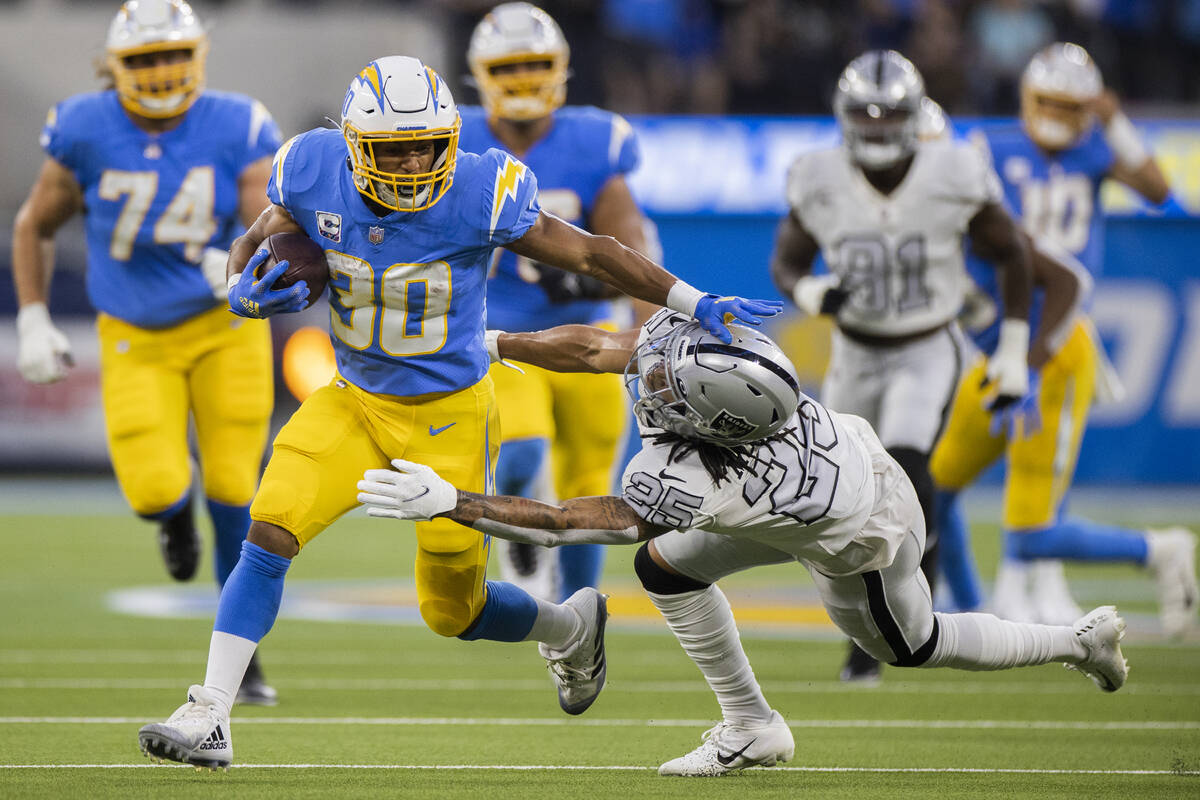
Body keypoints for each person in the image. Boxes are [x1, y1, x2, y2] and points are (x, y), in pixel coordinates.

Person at [135, 54, 780, 769]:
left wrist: (692, 301)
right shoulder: (311, 169)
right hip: (353, 401)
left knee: (452, 609)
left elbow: (594, 254)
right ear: (353, 144)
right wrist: (238, 289)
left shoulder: (480, 189)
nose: (412, 164)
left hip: (451, 412)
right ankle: (211, 712)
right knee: (271, 528)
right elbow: (257, 238)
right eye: (393, 149)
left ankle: (567, 627)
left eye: (426, 146)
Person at [358, 310, 1129, 777]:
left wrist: (454, 501)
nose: (653, 383)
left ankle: (1075, 640)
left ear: (715, 424)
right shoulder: (728, 372)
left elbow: (566, 520)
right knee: (663, 569)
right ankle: (752, 728)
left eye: (672, 393)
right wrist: (492, 340)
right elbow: (601, 349)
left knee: (915, 645)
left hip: (859, 536)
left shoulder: (699, 483)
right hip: (841, 465)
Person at [12, 0, 281, 704]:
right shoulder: (82, 127)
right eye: (143, 59)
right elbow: (34, 224)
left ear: (197, 55)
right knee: (156, 487)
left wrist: (238, 258)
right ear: (115, 67)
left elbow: (269, 219)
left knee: (235, 489)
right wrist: (35, 314)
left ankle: (239, 652)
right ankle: (170, 520)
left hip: (225, 328)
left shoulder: (235, 122)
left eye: (171, 55)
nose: (160, 71)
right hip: (134, 334)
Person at [769, 50, 1034, 682]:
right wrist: (808, 294)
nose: (880, 125)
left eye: (892, 114)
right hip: (856, 352)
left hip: (926, 346)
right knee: (848, 495)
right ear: (844, 115)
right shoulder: (818, 175)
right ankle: (871, 637)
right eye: (867, 113)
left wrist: (1016, 349)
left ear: (916, 117)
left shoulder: (954, 170)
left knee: (910, 473)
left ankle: (913, 628)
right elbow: (788, 260)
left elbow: (1015, 255)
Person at [929, 43, 1197, 634]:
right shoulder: (987, 148)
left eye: (1067, 104)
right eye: (1046, 101)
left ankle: (1155, 553)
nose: (1055, 113)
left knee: (1029, 528)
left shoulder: (1093, 146)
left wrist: (1115, 121)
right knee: (932, 490)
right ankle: (975, 610)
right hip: (999, 348)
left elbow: (1157, 190)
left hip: (1052, 340)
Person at [461, 2, 652, 602]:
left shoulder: (597, 141)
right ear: (480, 72)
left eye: (535, 64)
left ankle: (578, 618)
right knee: (520, 450)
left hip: (587, 339)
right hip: (501, 337)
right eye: (509, 66)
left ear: (562, 67)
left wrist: (586, 285)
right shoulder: (453, 139)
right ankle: (519, 526)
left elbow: (629, 255)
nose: (522, 78)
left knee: (589, 487)